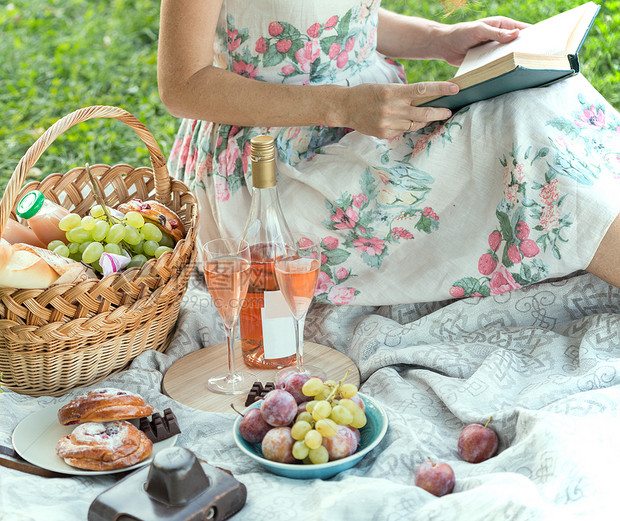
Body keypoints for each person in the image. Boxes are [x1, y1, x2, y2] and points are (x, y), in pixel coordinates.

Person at [157, 0, 620, 305]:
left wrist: (440, 38)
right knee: (519, 130)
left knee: (545, 96)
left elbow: (338, 18)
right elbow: (182, 84)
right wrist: (341, 104)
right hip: (270, 170)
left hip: (373, 113)